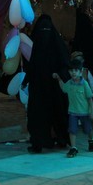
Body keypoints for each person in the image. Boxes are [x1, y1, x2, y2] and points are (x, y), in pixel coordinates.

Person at [21, 14, 70, 153]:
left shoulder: (41, 46)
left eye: (47, 30)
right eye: (42, 31)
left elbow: (65, 65)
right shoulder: (52, 45)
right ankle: (41, 141)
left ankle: (58, 139)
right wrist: (26, 80)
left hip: (51, 86)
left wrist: (59, 75)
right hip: (41, 87)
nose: (44, 34)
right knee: (40, 114)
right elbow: (33, 66)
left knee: (52, 113)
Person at [52, 58, 93, 158]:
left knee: (88, 129)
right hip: (73, 112)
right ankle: (73, 147)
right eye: (71, 71)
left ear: (80, 72)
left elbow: (89, 98)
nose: (73, 73)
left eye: (76, 70)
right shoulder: (69, 83)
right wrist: (59, 79)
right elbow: (63, 88)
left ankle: (91, 140)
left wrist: (92, 111)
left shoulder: (84, 84)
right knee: (72, 129)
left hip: (84, 112)